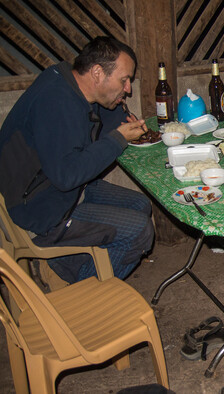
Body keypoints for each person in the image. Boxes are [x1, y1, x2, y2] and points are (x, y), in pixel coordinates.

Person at [0, 36, 154, 286]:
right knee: (140, 230)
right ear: (97, 73)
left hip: (60, 188)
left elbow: (96, 124)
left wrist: (120, 120)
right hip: (43, 209)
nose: (128, 89)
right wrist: (118, 140)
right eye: (124, 80)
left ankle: (65, 263)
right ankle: (86, 291)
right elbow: (67, 175)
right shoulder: (56, 102)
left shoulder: (74, 86)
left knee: (140, 204)